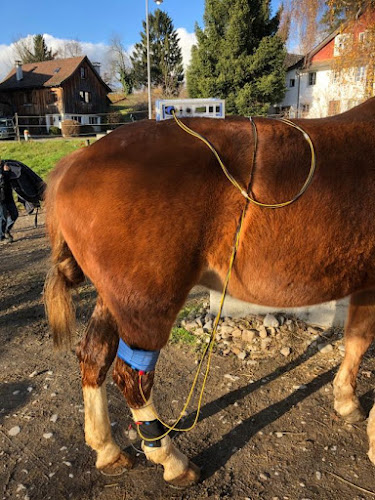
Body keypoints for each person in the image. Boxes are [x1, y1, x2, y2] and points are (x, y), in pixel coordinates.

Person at [0, 161, 18, 242]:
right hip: (0, 199)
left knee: (15, 214)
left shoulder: (5, 165)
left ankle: (6, 230)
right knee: (3, 217)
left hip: (8, 196)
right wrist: (6, 172)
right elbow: (2, 182)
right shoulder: (4, 169)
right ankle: (1, 236)